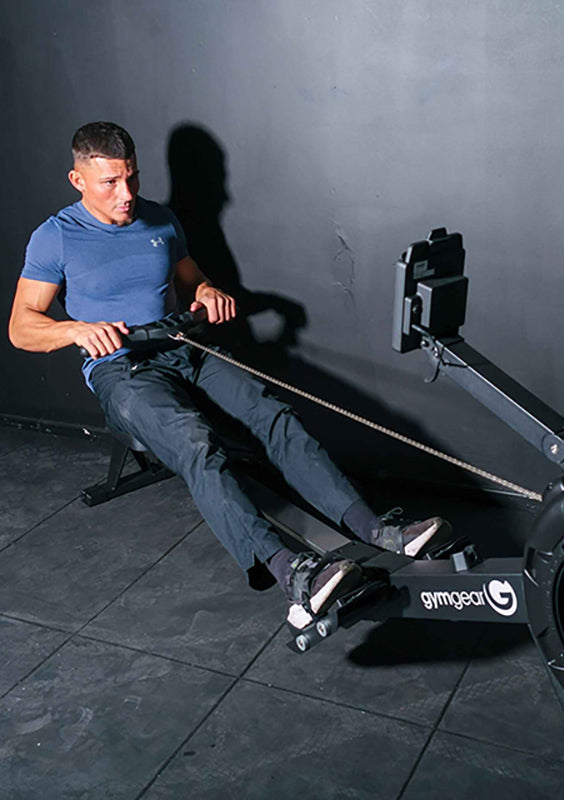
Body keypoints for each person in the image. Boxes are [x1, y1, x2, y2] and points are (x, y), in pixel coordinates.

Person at [8, 121, 452, 630]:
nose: (126, 194)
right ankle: (293, 572)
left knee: (274, 414)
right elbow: (22, 328)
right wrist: (75, 330)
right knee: (196, 444)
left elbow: (194, 281)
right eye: (110, 182)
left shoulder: (159, 220)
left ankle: (374, 528)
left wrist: (208, 293)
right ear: (77, 179)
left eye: (131, 178)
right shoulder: (56, 236)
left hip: (182, 345)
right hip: (121, 369)